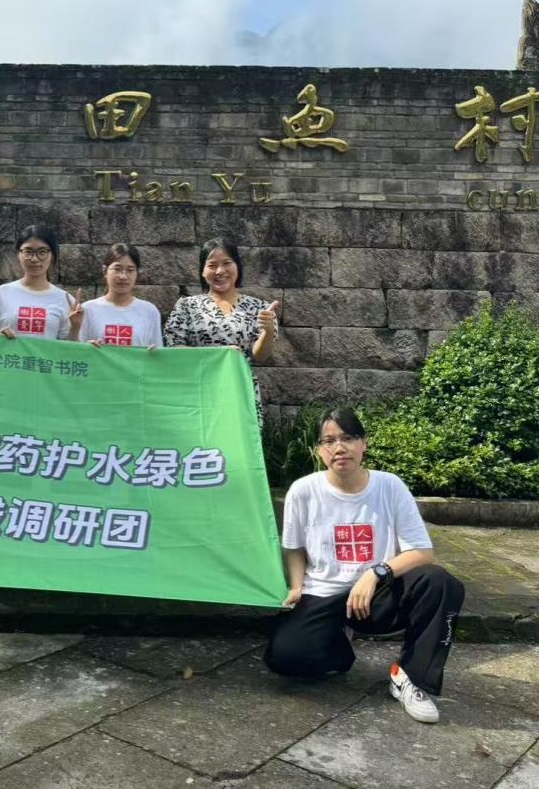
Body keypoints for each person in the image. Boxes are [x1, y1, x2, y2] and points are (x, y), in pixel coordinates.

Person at [263, 407, 466, 724]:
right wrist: (297, 586)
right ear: (319, 450)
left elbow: (422, 552)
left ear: (363, 444)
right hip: (324, 592)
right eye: (329, 441)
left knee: (440, 583)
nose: (339, 447)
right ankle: (338, 645)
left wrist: (376, 573)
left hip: (377, 595)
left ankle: (411, 678)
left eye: (347, 438)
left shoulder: (389, 486)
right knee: (285, 657)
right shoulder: (303, 491)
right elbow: (295, 548)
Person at [162, 238, 278, 421]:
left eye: (226, 263)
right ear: (203, 271)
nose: (219, 271)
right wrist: (220, 354)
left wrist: (268, 331)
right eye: (212, 265)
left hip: (238, 392)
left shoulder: (259, 308)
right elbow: (173, 349)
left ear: (237, 266)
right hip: (195, 392)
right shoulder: (187, 306)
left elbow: (260, 356)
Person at [0, 224, 82, 340]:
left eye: (42, 252)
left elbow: (69, 348)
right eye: (28, 252)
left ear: (52, 256)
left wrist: (75, 327)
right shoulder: (1, 293)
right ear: (18, 255)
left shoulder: (65, 300)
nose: (34, 259)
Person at [78, 243, 163, 348]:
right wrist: (87, 347)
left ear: (137, 273)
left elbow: (159, 352)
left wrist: (153, 353)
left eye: (130, 270)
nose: (123, 276)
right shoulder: (88, 309)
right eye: (117, 269)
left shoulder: (150, 311)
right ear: (105, 271)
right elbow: (75, 352)